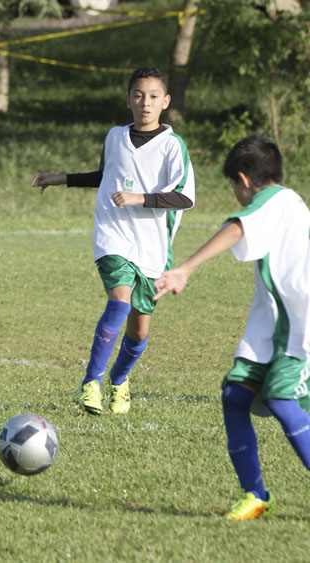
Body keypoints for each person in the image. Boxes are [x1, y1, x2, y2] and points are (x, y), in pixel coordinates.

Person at [153, 134, 310, 520]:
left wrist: (184, 269)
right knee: (235, 395)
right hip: (272, 325)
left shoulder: (274, 201)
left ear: (243, 180)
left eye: (234, 188)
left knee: (282, 399)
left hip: (301, 324)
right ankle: (256, 495)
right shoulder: (285, 204)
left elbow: (238, 228)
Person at [32, 66, 195, 415]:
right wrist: (60, 178)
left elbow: (184, 197)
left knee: (138, 332)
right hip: (113, 235)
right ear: (128, 100)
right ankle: (90, 384)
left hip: (152, 247)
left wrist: (141, 198)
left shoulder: (172, 146)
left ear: (165, 101)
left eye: (153, 97)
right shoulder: (115, 136)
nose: (145, 103)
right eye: (138, 95)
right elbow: (107, 177)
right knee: (118, 302)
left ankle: (119, 382)